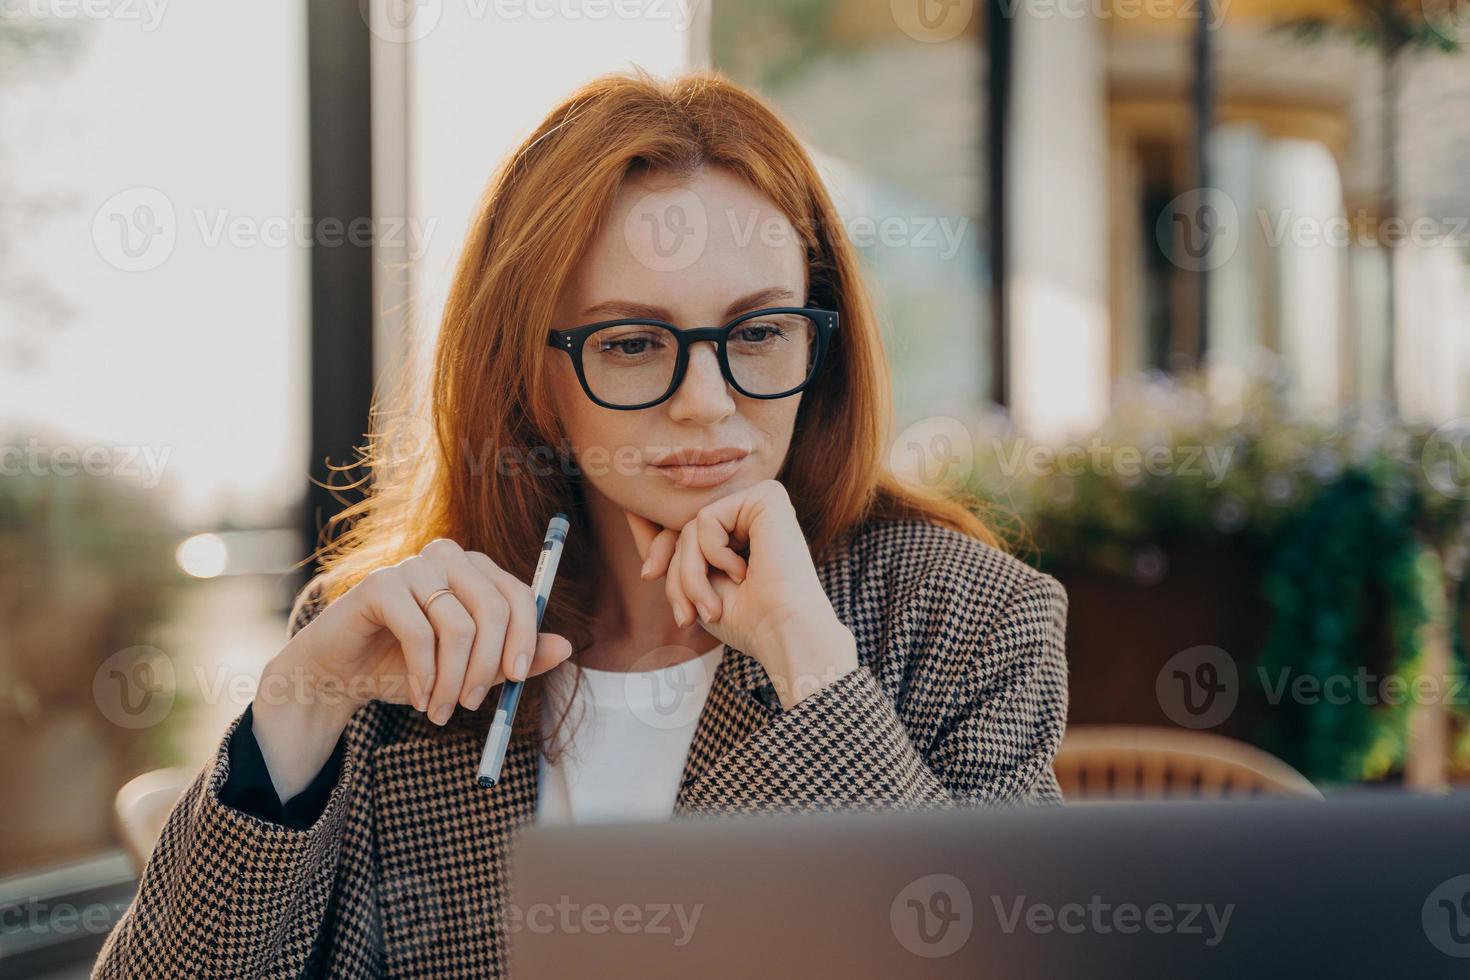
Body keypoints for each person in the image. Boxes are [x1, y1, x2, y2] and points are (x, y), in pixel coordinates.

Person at [93, 68, 1069, 979]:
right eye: (636, 342)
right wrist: (299, 704)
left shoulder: (966, 618)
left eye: (760, 331)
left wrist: (812, 665)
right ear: (533, 378)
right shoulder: (402, 636)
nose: (704, 401)